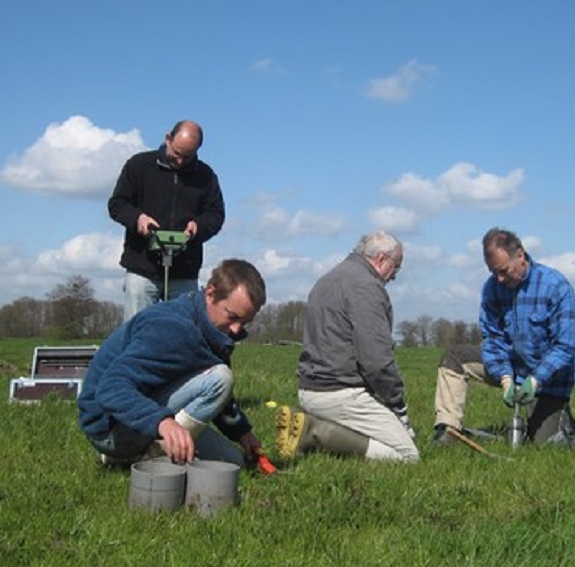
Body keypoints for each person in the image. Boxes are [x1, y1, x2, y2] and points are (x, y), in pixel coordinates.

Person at [77, 258, 266, 467]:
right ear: (211, 293)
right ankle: (153, 459)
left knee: (234, 463)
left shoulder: (213, 331)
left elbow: (217, 397)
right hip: (109, 429)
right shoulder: (171, 329)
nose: (237, 330)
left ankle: (138, 454)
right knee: (220, 378)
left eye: (245, 323)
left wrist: (242, 433)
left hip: (150, 413)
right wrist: (162, 422)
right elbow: (110, 388)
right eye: (232, 317)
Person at [275, 231, 420, 463]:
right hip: (340, 394)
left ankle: (315, 426)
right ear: (381, 259)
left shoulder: (327, 279)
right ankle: (314, 432)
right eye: (397, 267)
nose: (394, 277)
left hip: (309, 390)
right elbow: (376, 360)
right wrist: (397, 406)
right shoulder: (367, 288)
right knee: (408, 455)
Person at [432, 227, 575, 446]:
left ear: (520, 255)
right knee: (454, 358)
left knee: (544, 443)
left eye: (504, 271)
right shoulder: (492, 288)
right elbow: (493, 339)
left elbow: (564, 346)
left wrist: (535, 380)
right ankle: (448, 431)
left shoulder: (556, 287)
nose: (500, 279)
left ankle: (567, 427)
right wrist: (504, 378)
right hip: (512, 368)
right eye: (494, 272)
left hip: (549, 379)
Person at [108, 119, 225, 321]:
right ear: (168, 139)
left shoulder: (205, 176)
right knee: (138, 333)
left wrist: (198, 226)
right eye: (177, 153)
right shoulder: (139, 165)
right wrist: (138, 218)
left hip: (184, 272)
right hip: (142, 269)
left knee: (183, 336)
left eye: (188, 157)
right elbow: (117, 204)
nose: (180, 161)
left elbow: (215, 214)